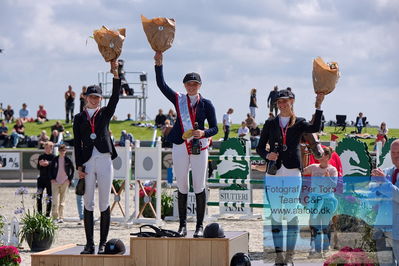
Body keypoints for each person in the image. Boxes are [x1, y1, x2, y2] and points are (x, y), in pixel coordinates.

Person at [256, 89, 326, 265]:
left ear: (292, 101)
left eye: (285, 101)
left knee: (291, 212)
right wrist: (267, 155)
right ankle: (279, 256)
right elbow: (259, 148)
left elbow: (315, 128)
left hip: (293, 172)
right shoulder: (270, 123)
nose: (282, 105)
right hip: (274, 172)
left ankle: (290, 256)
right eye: (279, 102)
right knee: (276, 214)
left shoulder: (300, 122)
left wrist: (318, 106)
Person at [154, 51, 218, 238]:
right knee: (181, 183)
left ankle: (199, 225)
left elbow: (215, 128)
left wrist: (204, 132)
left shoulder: (207, 104)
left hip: (199, 146)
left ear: (199, 86)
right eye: (189, 84)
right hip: (181, 145)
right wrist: (159, 63)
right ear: (184, 85)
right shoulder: (178, 99)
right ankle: (182, 225)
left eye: (195, 84)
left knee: (199, 184)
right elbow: (161, 85)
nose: (192, 87)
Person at [73, 59, 120, 254]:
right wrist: (79, 166)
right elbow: (76, 143)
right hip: (87, 160)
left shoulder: (105, 113)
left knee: (104, 202)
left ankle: (102, 243)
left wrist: (116, 75)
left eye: (97, 97)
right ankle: (89, 243)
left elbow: (116, 98)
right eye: (92, 97)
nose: (94, 99)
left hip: (104, 158)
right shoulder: (79, 118)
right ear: (86, 97)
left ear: (101, 98)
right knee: (88, 201)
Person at [302, 147, 338, 259]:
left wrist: (328, 178)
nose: (318, 156)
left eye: (321, 154)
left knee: (325, 224)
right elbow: (301, 171)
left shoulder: (332, 170)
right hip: (315, 200)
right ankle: (315, 249)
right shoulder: (313, 167)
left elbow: (334, 185)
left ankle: (326, 248)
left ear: (327, 156)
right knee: (314, 224)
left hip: (327, 200)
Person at [370, 139, 399, 266]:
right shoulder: (386, 172)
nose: (396, 155)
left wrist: (383, 182)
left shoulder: (384, 177)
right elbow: (373, 199)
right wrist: (374, 186)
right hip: (381, 229)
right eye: (393, 153)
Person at [49, 144, 74, 223]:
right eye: (61, 150)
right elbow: (50, 169)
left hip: (65, 182)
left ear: (66, 151)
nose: (62, 152)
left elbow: (72, 170)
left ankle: (61, 217)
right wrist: (52, 179)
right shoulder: (55, 159)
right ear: (59, 151)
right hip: (55, 182)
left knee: (62, 201)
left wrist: (69, 179)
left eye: (64, 150)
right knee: (55, 201)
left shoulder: (68, 160)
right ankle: (54, 217)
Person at [37, 141, 55, 217]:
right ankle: (39, 214)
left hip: (49, 180)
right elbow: (38, 167)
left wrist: (49, 163)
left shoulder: (54, 157)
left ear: (51, 148)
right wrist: (40, 164)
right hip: (41, 179)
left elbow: (55, 167)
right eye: (45, 148)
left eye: (48, 148)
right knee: (38, 196)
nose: (47, 149)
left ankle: (47, 214)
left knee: (49, 197)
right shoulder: (41, 156)